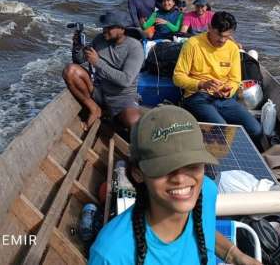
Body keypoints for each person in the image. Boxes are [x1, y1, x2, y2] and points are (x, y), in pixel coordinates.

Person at [88, 106, 261, 265]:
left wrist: (235, 255)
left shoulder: (205, 192)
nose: (180, 179)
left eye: (192, 164)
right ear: (138, 173)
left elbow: (203, 230)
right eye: (165, 167)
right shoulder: (110, 255)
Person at [172, 12, 263, 143]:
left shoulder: (232, 48)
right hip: (197, 96)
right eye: (219, 35)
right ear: (209, 27)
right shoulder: (193, 44)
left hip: (223, 98)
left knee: (256, 130)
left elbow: (235, 80)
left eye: (227, 36)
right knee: (222, 130)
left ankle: (236, 151)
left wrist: (228, 90)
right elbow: (178, 77)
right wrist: (202, 84)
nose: (222, 40)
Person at [62, 11, 144, 131]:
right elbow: (79, 60)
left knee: (134, 122)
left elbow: (125, 80)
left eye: (109, 27)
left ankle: (114, 119)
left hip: (122, 98)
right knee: (70, 71)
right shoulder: (100, 40)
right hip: (99, 92)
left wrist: (98, 63)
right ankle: (94, 108)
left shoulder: (135, 48)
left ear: (122, 29)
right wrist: (77, 46)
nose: (104, 30)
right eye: (104, 27)